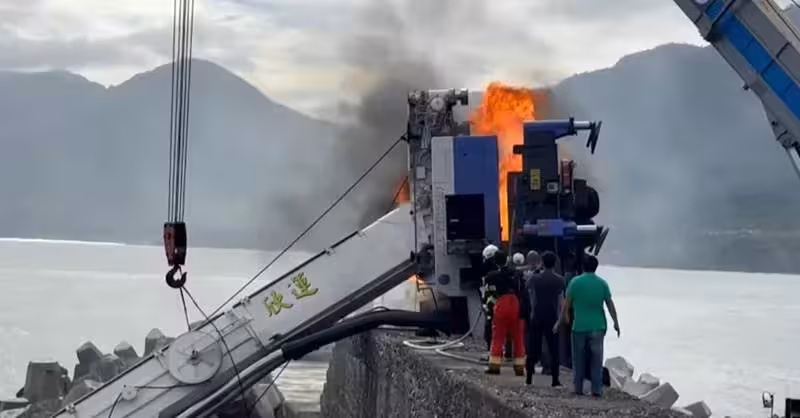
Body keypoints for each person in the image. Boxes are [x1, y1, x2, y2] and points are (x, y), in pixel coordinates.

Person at [553, 255, 620, 397]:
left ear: (583, 266)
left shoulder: (575, 282)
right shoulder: (602, 284)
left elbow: (566, 305)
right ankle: (596, 390)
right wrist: (616, 322)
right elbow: (610, 304)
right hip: (598, 326)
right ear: (596, 267)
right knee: (597, 360)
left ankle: (578, 388)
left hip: (579, 327)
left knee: (578, 360)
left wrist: (560, 321)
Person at [484, 250, 526, 376]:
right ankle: (519, 367)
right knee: (518, 337)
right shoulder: (517, 274)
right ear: (507, 260)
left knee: (498, 336)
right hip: (516, 305)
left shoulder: (491, 276)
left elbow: (488, 294)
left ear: (495, 262)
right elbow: (523, 292)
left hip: (501, 305)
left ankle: (494, 366)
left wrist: (489, 310)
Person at [526, 251, 564, 387]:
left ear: (542, 262)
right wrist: (559, 320)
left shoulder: (535, 278)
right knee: (553, 349)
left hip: (537, 315)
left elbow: (528, 287)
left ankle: (529, 378)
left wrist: (537, 270)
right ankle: (555, 380)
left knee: (533, 347)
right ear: (554, 264)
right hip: (552, 316)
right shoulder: (559, 280)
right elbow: (560, 300)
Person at [480, 244, 500, 351]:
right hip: (498, 304)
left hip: (490, 304)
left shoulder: (486, 273)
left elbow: (484, 289)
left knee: (490, 325)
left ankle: (491, 349)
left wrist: (484, 303)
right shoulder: (498, 270)